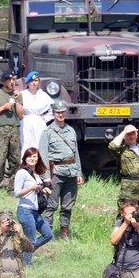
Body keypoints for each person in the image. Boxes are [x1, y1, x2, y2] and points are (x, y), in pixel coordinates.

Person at [38, 99, 83, 240]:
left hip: (71, 172)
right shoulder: (47, 132)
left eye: (62, 112)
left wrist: (79, 172)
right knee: (51, 205)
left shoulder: (71, 131)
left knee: (68, 205)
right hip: (55, 173)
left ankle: (64, 232)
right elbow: (43, 155)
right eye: (58, 112)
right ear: (53, 113)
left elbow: (75, 153)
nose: (60, 115)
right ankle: (48, 234)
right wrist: (45, 175)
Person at [14, 147, 54, 265]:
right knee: (31, 239)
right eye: (29, 156)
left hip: (35, 212)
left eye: (34, 156)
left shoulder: (37, 175)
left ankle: (24, 251)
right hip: (25, 210)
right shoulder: (21, 173)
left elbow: (36, 192)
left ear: (38, 158)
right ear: (25, 158)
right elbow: (17, 193)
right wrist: (31, 188)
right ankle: (26, 266)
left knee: (48, 234)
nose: (32, 159)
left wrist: (43, 190)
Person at [108, 124, 139, 214]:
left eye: (133, 133)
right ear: (124, 136)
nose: (131, 136)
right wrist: (124, 132)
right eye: (129, 134)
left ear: (137, 134)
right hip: (129, 188)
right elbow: (112, 146)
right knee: (126, 215)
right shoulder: (122, 150)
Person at [18, 71, 53, 152]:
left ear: (39, 82)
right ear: (28, 83)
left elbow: (52, 110)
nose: (33, 83)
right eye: (31, 81)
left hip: (39, 122)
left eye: (36, 81)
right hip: (26, 122)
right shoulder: (22, 95)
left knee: (40, 143)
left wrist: (45, 118)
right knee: (26, 143)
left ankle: (40, 163)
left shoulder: (43, 95)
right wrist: (20, 116)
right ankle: (25, 163)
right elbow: (15, 108)